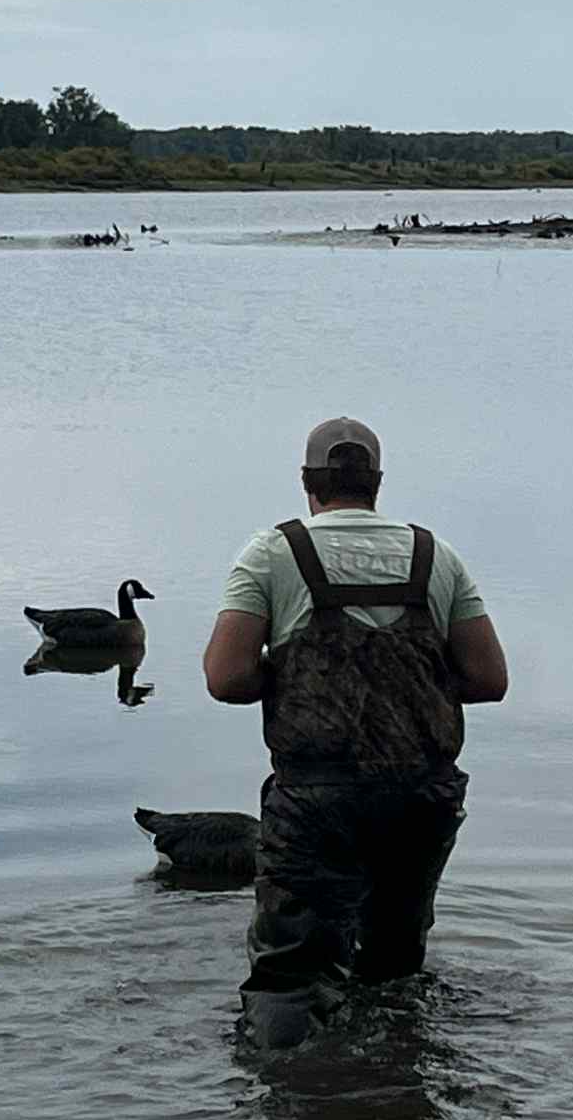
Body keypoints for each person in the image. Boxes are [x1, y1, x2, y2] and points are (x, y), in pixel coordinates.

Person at [203, 416, 509, 1049]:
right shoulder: (435, 556)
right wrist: (407, 681)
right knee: (393, 966)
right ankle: (396, 1077)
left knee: (290, 980)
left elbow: (226, 678)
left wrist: (293, 674)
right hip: (421, 798)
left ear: (307, 482)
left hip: (316, 801)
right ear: (377, 482)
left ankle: (291, 1087)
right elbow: (488, 679)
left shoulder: (272, 553)